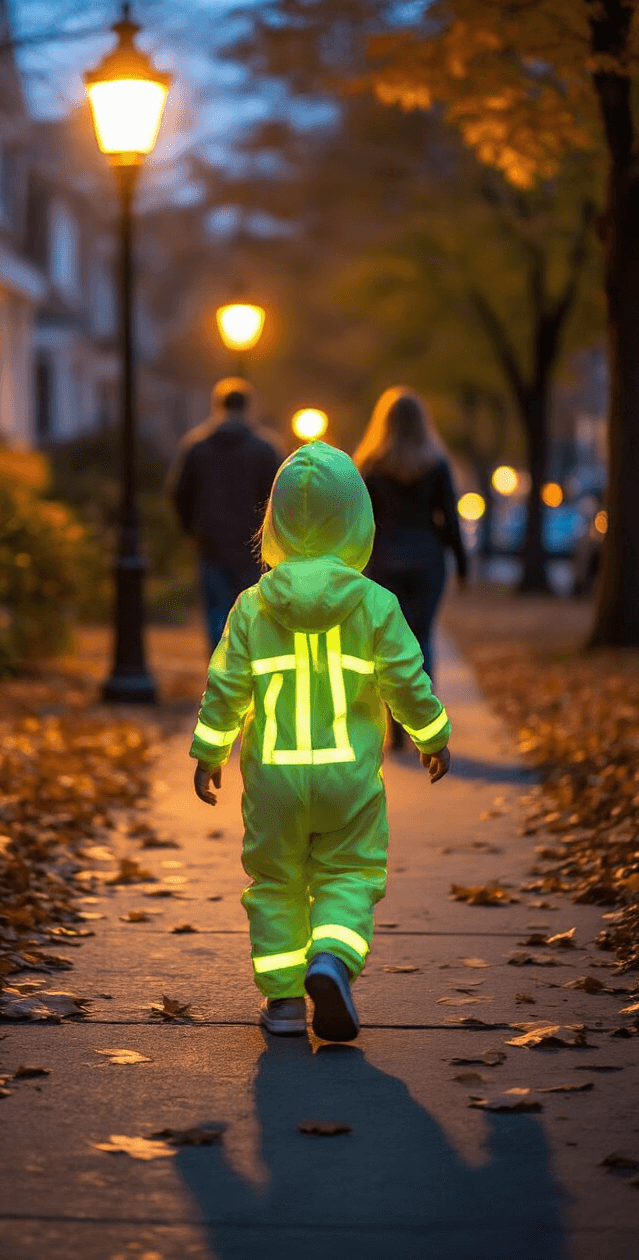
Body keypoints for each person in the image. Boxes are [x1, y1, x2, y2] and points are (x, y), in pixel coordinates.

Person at [189, 441, 451, 1043]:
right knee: (350, 874)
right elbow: (407, 679)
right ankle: (332, 958)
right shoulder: (376, 605)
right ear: (359, 519)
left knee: (276, 882)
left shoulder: (252, 607)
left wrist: (210, 751)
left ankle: (282, 1003)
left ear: (275, 521)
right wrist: (432, 735)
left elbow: (225, 686)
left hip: (274, 780)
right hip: (349, 780)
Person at [354, 387, 467, 692]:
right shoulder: (436, 465)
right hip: (428, 560)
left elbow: (363, 522)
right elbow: (451, 520)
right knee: (422, 638)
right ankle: (424, 720)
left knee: (390, 642)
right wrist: (462, 564)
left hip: (384, 561)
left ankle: (396, 723)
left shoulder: (371, 466)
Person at [169, 378, 282, 651]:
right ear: (249, 407)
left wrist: (189, 530)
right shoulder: (265, 449)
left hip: (211, 540)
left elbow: (178, 492)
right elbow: (279, 497)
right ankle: (248, 670)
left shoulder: (197, 447)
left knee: (217, 611)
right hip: (254, 545)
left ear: (217, 405)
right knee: (252, 611)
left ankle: (221, 673)